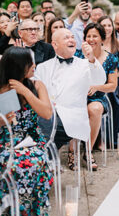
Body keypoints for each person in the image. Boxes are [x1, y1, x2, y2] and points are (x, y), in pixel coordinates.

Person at [0, 47, 53, 216]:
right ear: (17, 67)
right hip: (6, 141)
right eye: (29, 64)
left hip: (31, 140)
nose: (34, 67)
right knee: (11, 165)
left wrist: (24, 91)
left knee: (33, 162)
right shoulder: (1, 88)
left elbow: (46, 113)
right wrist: (4, 121)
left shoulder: (37, 85)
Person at [35, 28, 106, 166]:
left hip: (73, 116)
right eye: (66, 38)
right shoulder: (42, 67)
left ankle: (43, 164)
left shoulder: (85, 64)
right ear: (54, 45)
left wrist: (91, 58)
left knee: (44, 130)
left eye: (72, 37)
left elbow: (99, 80)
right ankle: (43, 163)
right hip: (48, 115)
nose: (71, 40)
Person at [75, 23, 118, 169]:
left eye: (95, 36)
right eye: (88, 36)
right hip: (78, 96)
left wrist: (96, 87)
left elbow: (112, 86)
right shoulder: (77, 55)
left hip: (98, 97)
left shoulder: (110, 59)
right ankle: (71, 152)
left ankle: (88, 151)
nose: (91, 39)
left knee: (94, 109)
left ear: (102, 38)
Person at [99, 16, 119, 146]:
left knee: (116, 100)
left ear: (112, 28)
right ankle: (98, 140)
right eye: (103, 26)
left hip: (116, 82)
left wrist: (111, 74)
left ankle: (115, 139)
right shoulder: (95, 44)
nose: (106, 28)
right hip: (98, 82)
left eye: (109, 25)